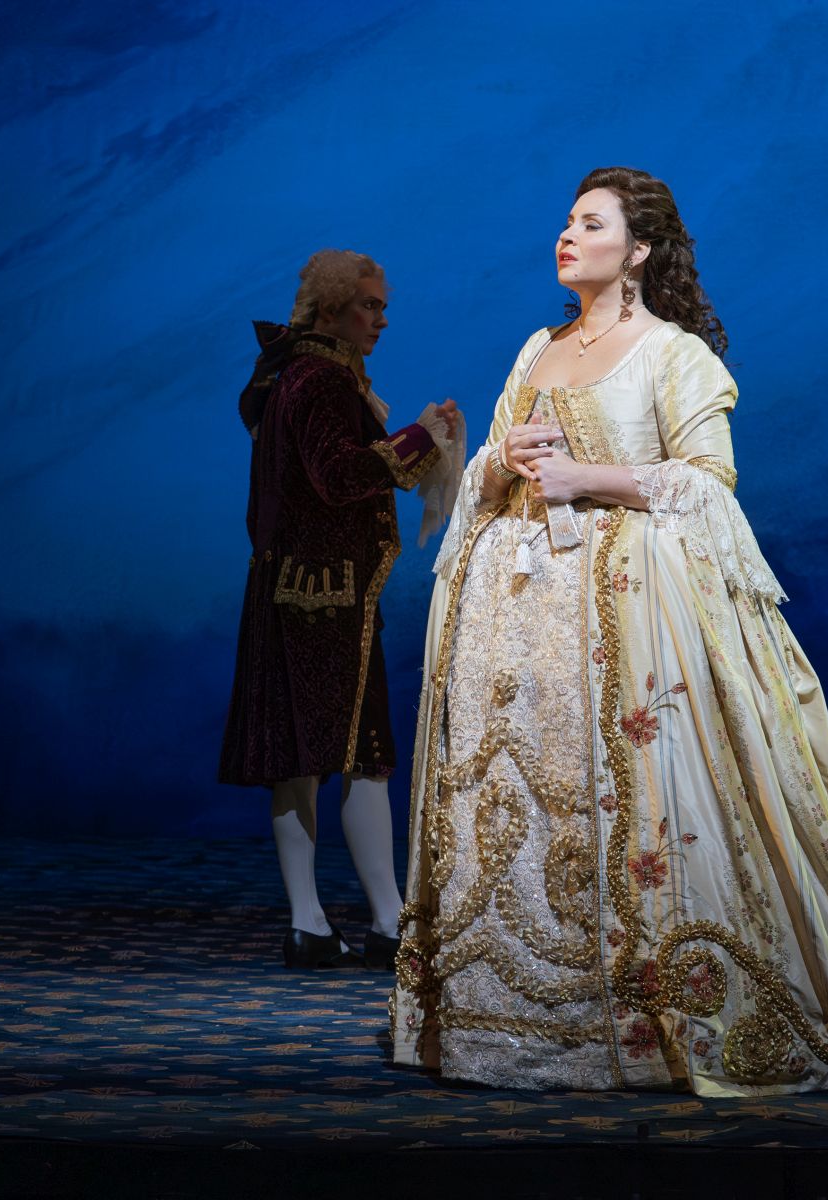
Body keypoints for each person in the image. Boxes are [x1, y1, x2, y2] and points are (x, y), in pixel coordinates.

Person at [391, 168, 828, 1095]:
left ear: (640, 250)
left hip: (629, 628)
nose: (567, 236)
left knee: (629, 813)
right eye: (567, 222)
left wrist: (585, 478)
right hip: (526, 632)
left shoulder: (672, 354)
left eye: (591, 224)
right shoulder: (538, 348)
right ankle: (513, 1023)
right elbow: (497, 465)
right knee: (528, 818)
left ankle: (643, 1022)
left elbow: (706, 483)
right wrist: (502, 460)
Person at [219, 249, 461, 970]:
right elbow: (338, 475)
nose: (381, 318)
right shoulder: (322, 380)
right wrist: (420, 437)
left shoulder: (292, 372)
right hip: (325, 595)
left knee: (301, 761)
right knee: (365, 755)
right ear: (331, 306)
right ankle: (387, 920)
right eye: (368, 304)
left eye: (382, 305)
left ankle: (310, 922)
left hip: (292, 587)